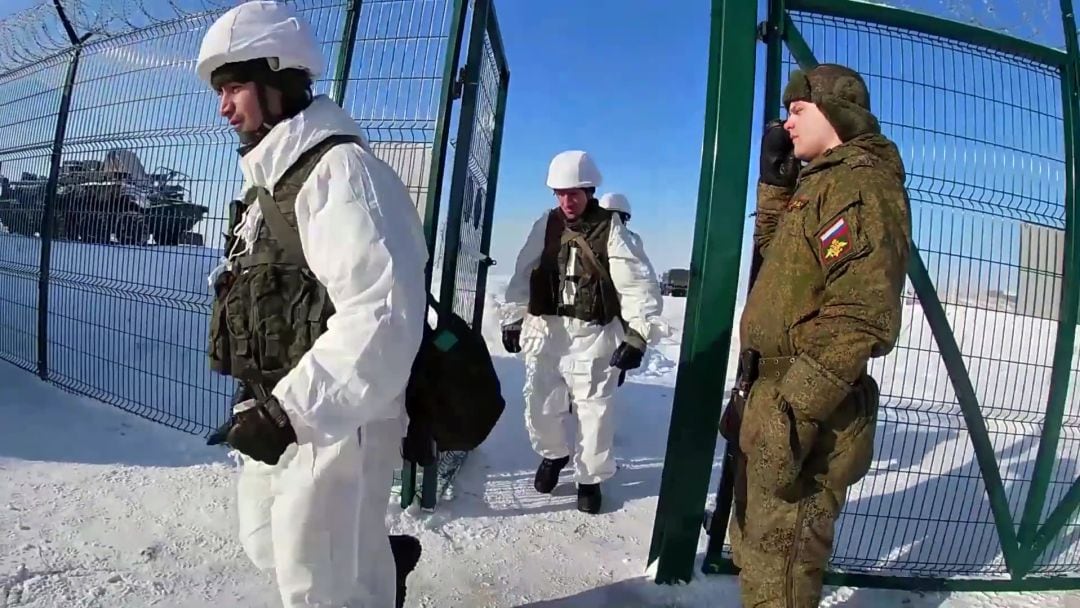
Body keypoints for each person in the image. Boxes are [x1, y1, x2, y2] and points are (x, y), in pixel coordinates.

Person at [196, 2, 428, 606]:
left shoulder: (341, 174)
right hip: (284, 406)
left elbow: (382, 314)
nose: (224, 106)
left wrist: (289, 413)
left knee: (321, 586)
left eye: (235, 86)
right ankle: (379, 566)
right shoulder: (268, 185)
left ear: (280, 80)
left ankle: (375, 580)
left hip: (335, 421)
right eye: (220, 90)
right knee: (268, 544)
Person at [724, 63, 910, 606]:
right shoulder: (824, 181)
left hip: (807, 408)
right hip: (774, 394)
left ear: (833, 113)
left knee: (781, 571)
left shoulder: (860, 185)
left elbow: (862, 312)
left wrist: (794, 411)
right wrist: (776, 188)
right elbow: (776, 257)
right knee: (758, 553)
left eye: (797, 110)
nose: (786, 124)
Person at [500, 150, 665, 514]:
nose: (567, 200)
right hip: (548, 332)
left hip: (592, 336)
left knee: (595, 413)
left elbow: (637, 284)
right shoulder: (545, 225)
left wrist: (638, 335)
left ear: (589, 191)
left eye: (574, 192)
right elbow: (524, 272)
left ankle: (590, 479)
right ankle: (553, 456)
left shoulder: (612, 229)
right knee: (541, 404)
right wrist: (512, 317)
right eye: (560, 192)